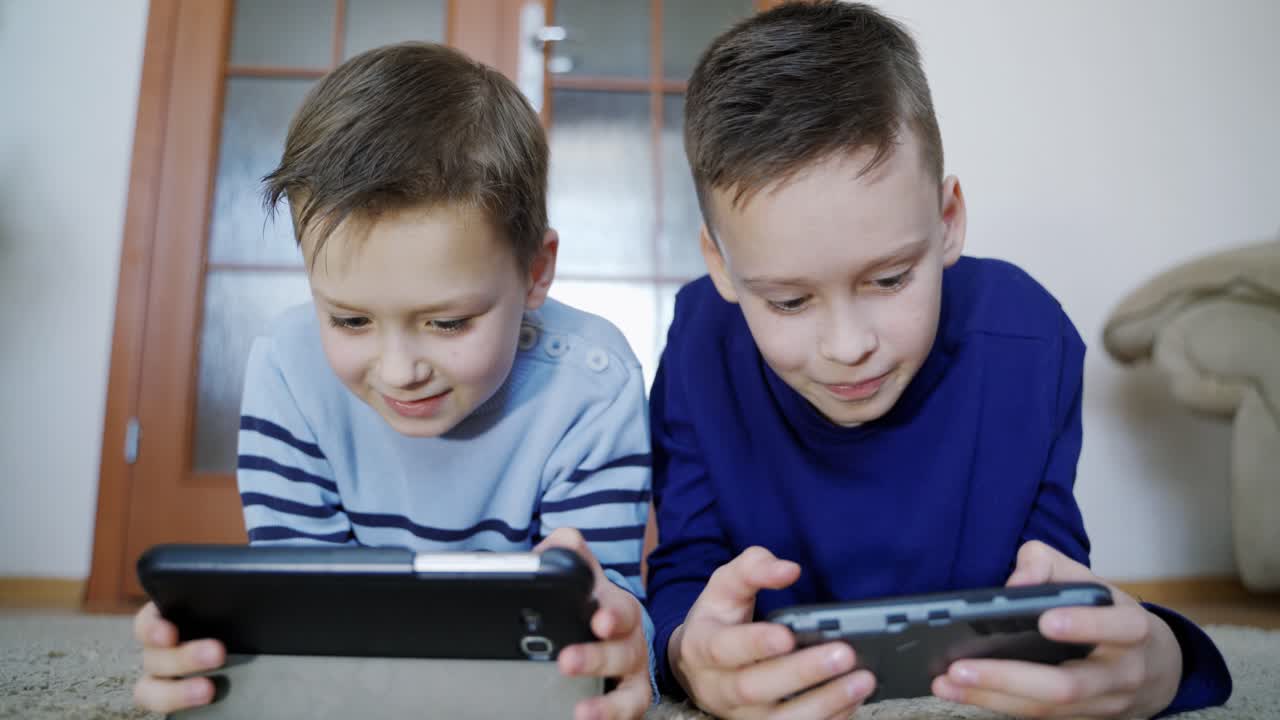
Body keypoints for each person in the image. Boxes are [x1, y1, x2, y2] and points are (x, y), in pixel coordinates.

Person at [644, 3, 1233, 718]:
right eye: (789, 302)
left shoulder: (1028, 337)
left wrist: (1162, 660)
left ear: (947, 220)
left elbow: (1053, 577)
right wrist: (687, 653)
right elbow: (685, 568)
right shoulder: (700, 340)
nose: (847, 345)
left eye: (890, 279)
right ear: (722, 267)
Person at [131, 42, 653, 720]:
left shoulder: (594, 385)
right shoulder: (287, 367)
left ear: (534, 272)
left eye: (447, 322)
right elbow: (300, 593)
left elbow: (605, 602)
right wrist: (219, 657)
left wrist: (619, 638)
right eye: (350, 320)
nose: (400, 371)